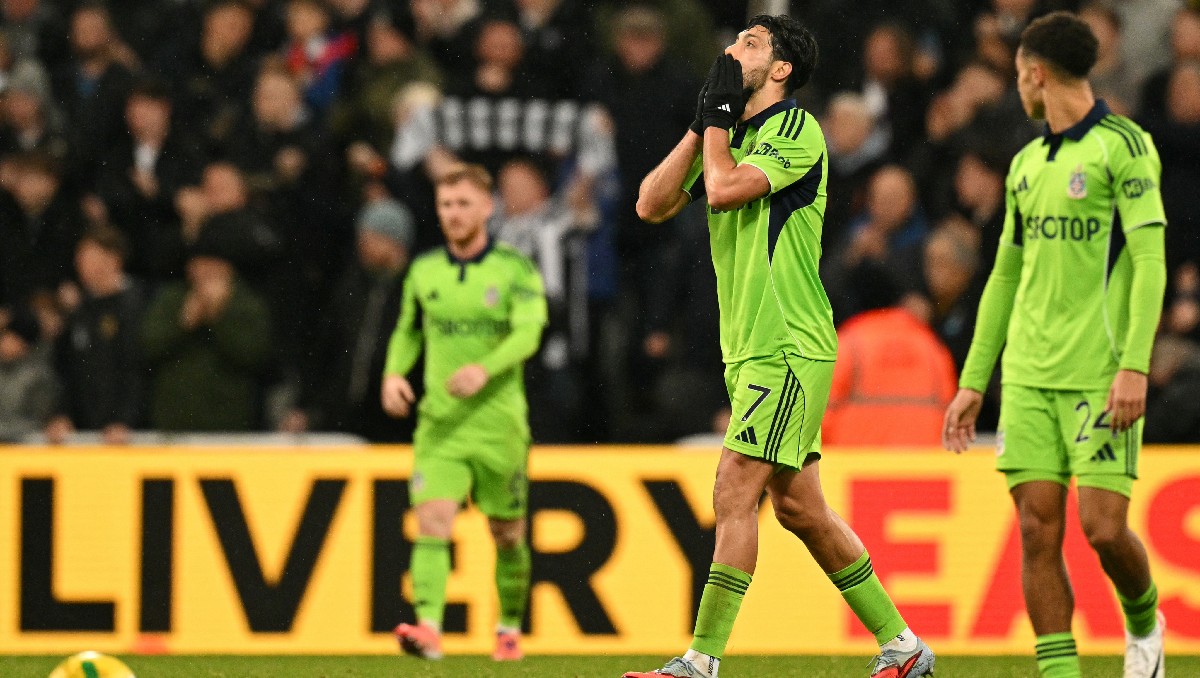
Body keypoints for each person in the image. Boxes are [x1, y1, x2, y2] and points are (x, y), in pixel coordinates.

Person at [627, 15, 934, 678]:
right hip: (750, 345)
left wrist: (716, 124)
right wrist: (704, 120)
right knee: (800, 508)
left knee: (736, 487)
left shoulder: (794, 128)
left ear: (783, 68)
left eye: (752, 44)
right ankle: (905, 648)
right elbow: (651, 204)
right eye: (735, 40)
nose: (734, 50)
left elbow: (725, 190)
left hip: (788, 342)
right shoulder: (728, 131)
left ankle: (699, 662)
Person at [942, 12, 1168, 678]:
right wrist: (974, 380)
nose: (1019, 89)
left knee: (1102, 530)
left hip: (1101, 373)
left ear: (1035, 73)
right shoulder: (1024, 165)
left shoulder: (1123, 146)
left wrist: (1133, 365)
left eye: (1018, 76)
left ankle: (1144, 621)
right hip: (1031, 378)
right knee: (1039, 530)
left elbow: (1151, 259)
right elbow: (1004, 277)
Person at [380, 164, 547, 662]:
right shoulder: (423, 270)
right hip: (441, 423)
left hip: (499, 425)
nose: (453, 214)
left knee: (508, 534)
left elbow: (529, 332)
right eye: (446, 205)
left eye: (463, 204)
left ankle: (509, 628)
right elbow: (408, 330)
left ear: (487, 208)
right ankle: (429, 628)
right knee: (432, 518)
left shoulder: (515, 269)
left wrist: (484, 368)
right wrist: (393, 374)